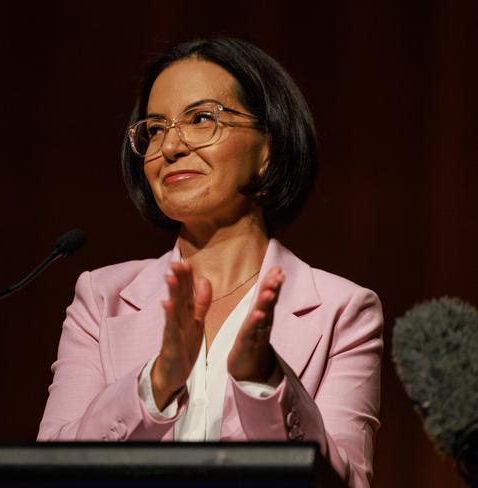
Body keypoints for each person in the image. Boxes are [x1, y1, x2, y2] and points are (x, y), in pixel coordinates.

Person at [37, 37, 383, 488]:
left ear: (268, 150)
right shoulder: (102, 299)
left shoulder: (343, 310)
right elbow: (49, 472)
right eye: (155, 128)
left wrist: (266, 384)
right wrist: (155, 384)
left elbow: (347, 482)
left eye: (201, 119)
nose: (171, 147)